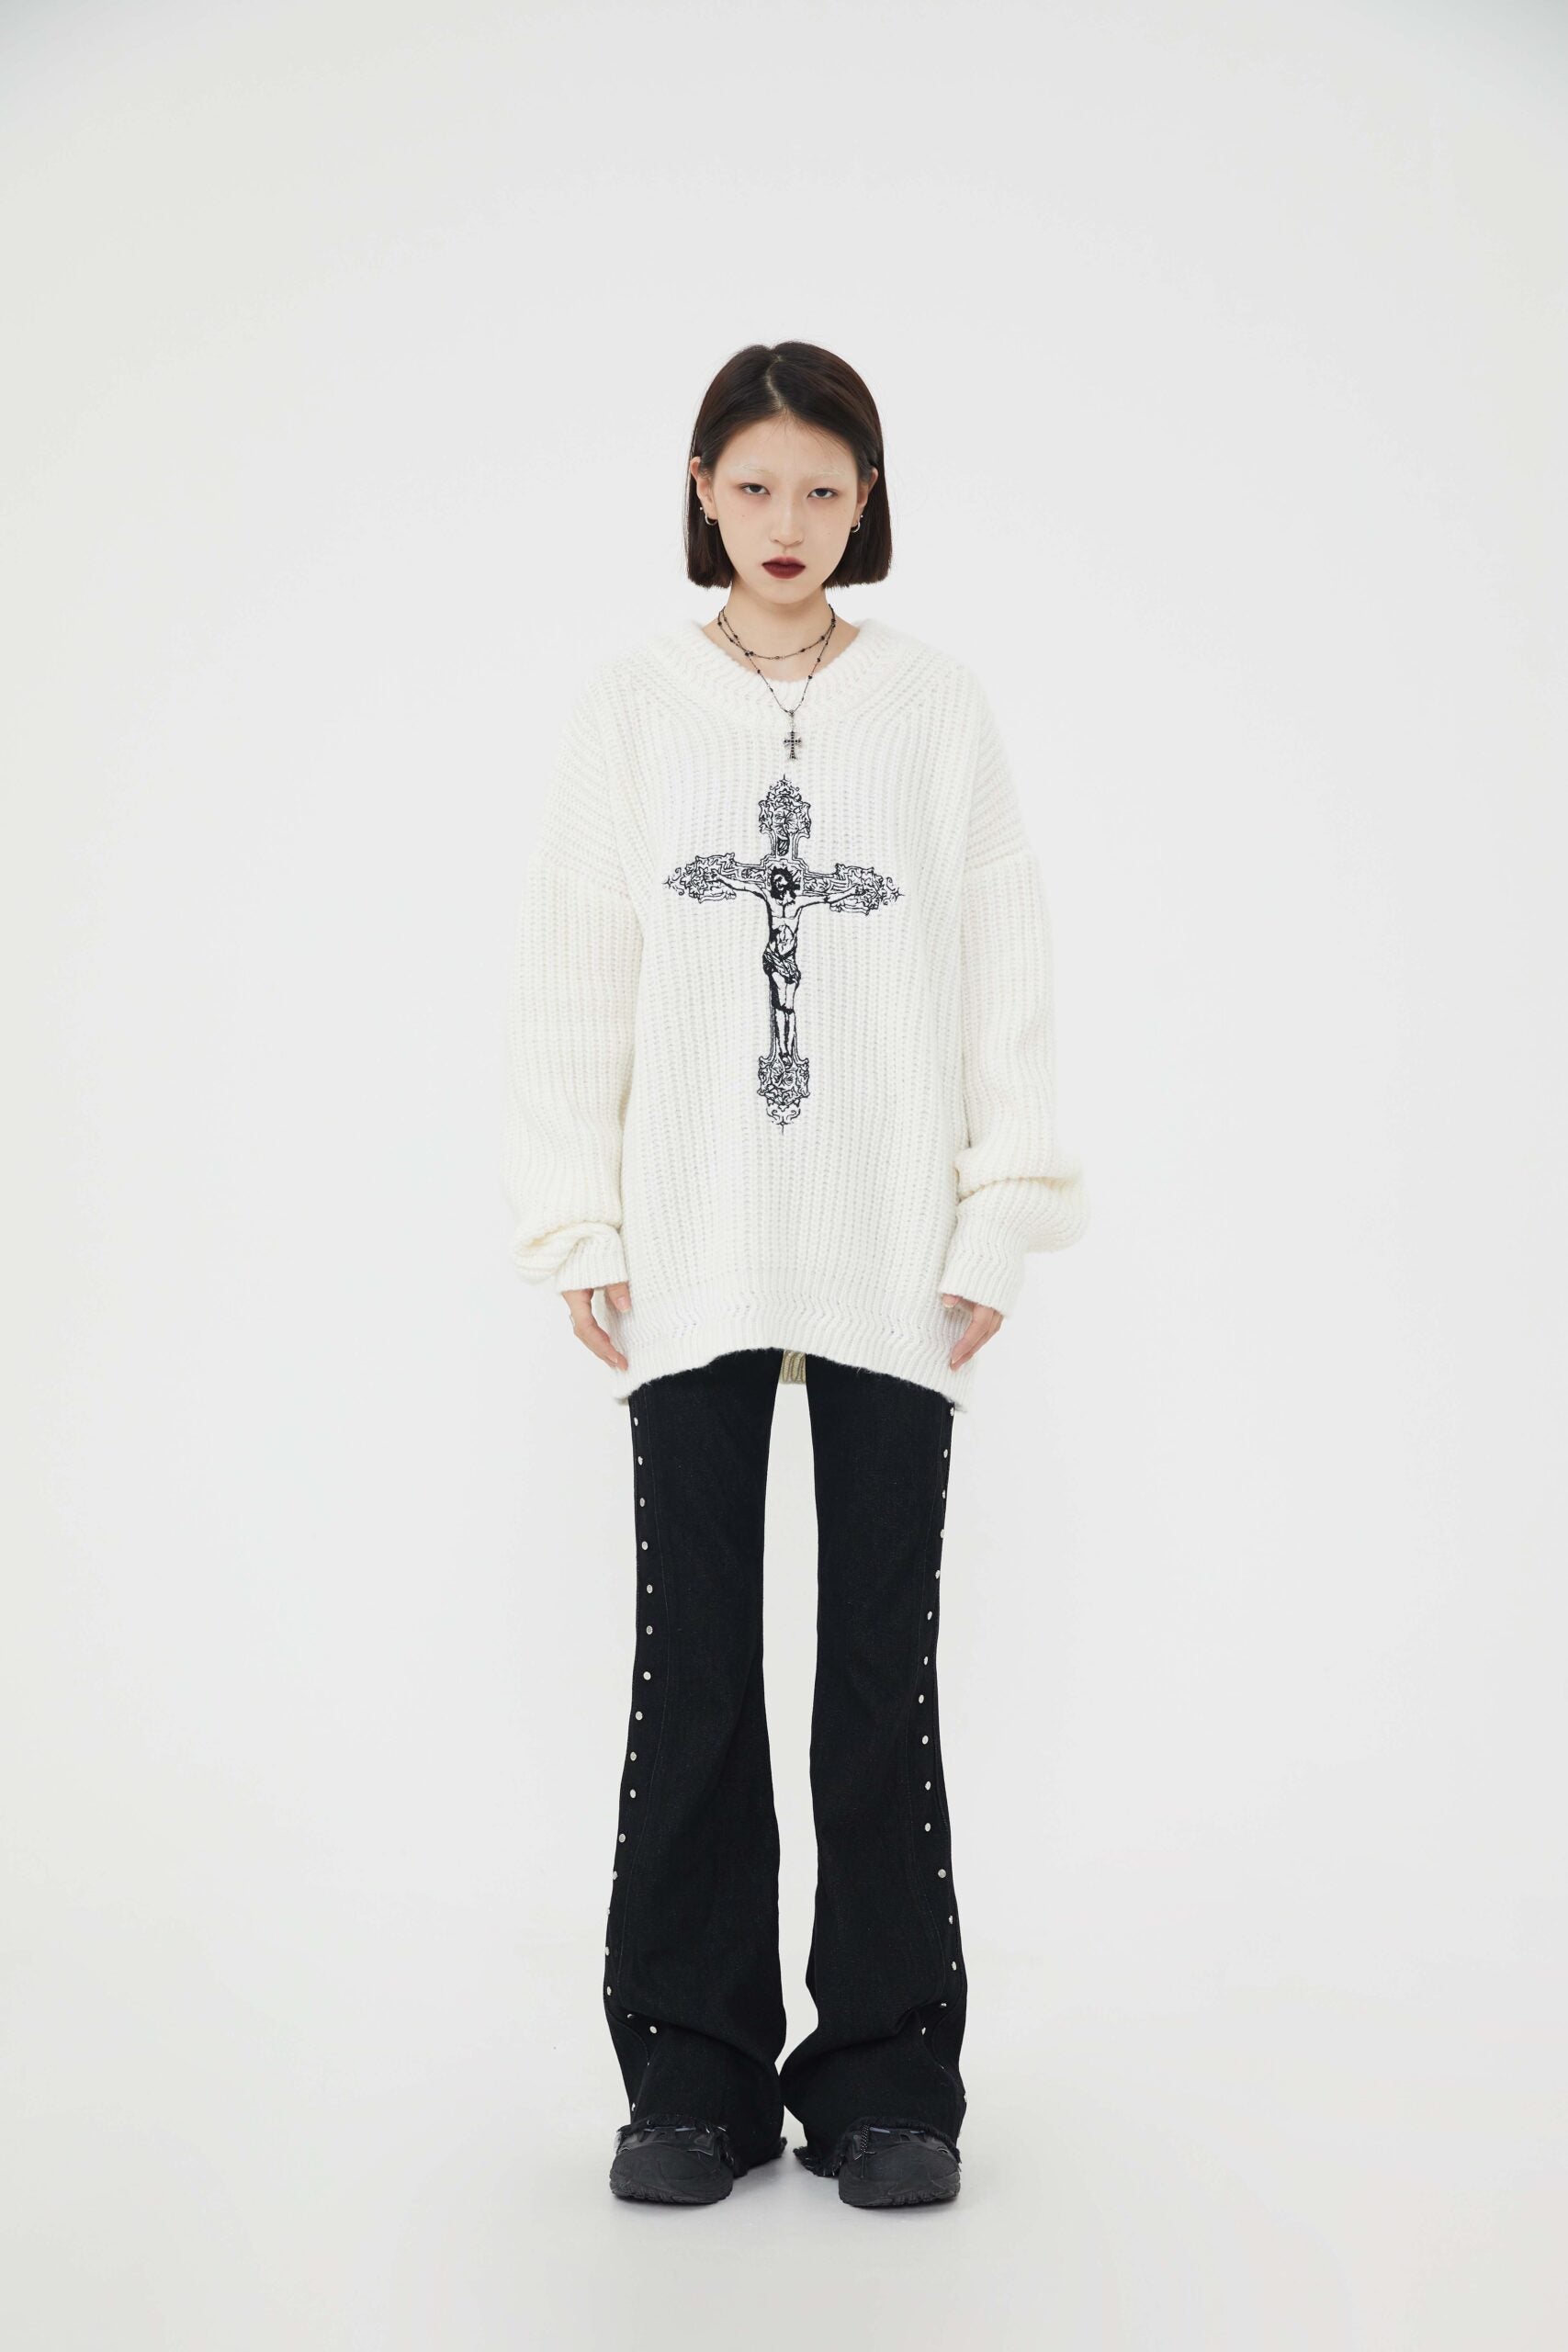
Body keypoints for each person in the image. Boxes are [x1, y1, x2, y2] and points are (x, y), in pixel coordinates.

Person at [502, 341, 1089, 2209]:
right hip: (687, 1234)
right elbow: (577, 967)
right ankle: (691, 2072)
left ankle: (886, 2076)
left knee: (874, 1664)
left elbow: (1000, 963)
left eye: (821, 489)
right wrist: (578, 1215)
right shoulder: (632, 708)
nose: (785, 521)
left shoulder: (934, 710)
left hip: (888, 1246)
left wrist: (997, 1209)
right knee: (693, 1658)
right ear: (699, 488)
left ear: (866, 500)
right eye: (753, 484)